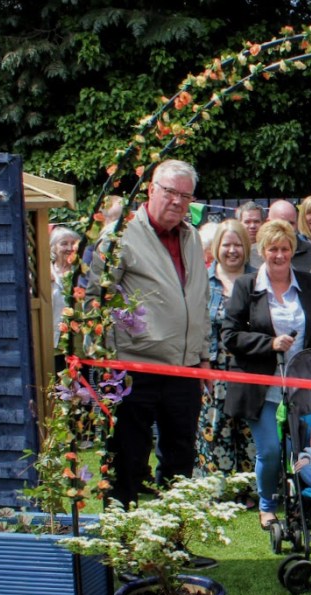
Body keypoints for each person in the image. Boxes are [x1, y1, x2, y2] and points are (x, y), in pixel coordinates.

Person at [86, 159, 211, 517]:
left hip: (184, 370)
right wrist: (109, 356)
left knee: (180, 458)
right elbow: (95, 299)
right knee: (128, 457)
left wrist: (202, 356)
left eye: (185, 195)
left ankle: (172, 542)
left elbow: (199, 300)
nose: (177, 201)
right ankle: (123, 547)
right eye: (170, 191)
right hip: (133, 369)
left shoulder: (191, 238)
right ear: (150, 189)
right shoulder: (119, 236)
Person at [222, 219, 311, 530]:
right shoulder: (246, 286)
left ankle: (305, 504)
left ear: (292, 251)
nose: (279, 255)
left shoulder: (309, 284)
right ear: (261, 251)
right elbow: (230, 335)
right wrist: (269, 343)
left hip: (303, 386)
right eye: (272, 249)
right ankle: (267, 505)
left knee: (308, 451)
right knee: (269, 450)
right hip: (263, 387)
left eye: (285, 249)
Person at [194, 220, 256, 501]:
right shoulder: (202, 282)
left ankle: (251, 489)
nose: (232, 250)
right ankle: (216, 491)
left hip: (251, 368)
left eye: (238, 244)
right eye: (226, 244)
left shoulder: (259, 280)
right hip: (215, 367)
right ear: (217, 247)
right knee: (215, 428)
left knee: (249, 431)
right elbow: (196, 325)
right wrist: (202, 364)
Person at [50, 227, 81, 369]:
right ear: (53, 248)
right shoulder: (45, 273)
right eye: (64, 243)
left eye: (73, 243)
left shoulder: (82, 274)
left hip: (79, 344)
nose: (69, 248)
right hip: (53, 341)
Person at [267, 199, 311, 271]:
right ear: (268, 222)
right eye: (281, 223)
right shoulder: (253, 254)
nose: (286, 228)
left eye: (291, 223)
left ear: (296, 224)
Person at [236, 201, 265, 267]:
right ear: (239, 223)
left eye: (256, 221)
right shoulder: (233, 248)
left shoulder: (269, 249)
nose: (252, 226)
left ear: (263, 223)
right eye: (247, 222)